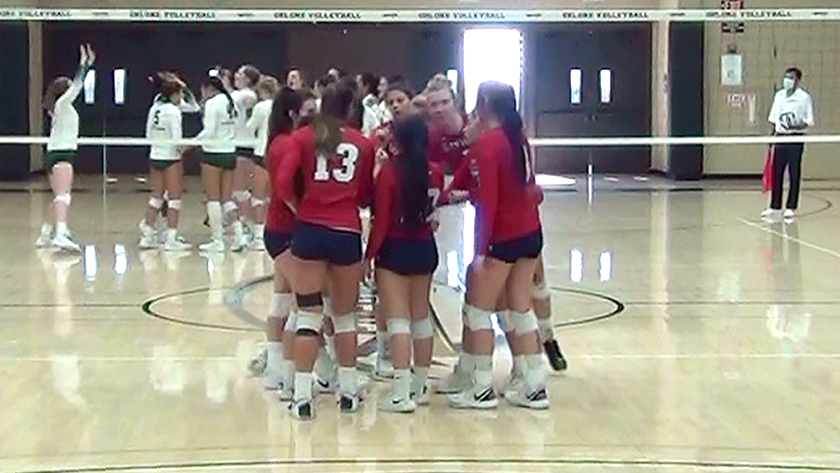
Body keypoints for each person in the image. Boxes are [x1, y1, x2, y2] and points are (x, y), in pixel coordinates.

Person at [275, 81, 375, 420]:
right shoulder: (363, 143)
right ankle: (348, 393)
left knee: (308, 315)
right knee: (344, 318)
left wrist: (300, 207)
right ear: (350, 109)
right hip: (346, 230)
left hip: (309, 230)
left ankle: (302, 398)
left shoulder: (302, 138)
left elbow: (283, 183)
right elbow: (365, 195)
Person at [448, 81, 548, 410]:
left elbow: (488, 201)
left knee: (478, 311)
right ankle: (534, 386)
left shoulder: (488, 145)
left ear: (485, 103)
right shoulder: (518, 138)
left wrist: (480, 251)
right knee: (520, 307)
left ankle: (479, 388)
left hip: (503, 237)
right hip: (531, 232)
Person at [366, 114, 443, 412]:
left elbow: (382, 220)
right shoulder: (434, 171)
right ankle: (420, 385)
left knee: (398, 320)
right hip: (425, 247)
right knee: (421, 317)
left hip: (395, 249)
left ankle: (400, 393)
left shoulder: (389, 173)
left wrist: (369, 257)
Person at [261, 87, 304, 391]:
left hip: (276, 229)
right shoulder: (289, 144)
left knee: (281, 301)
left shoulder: (276, 141)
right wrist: (303, 213)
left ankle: (275, 365)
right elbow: (284, 186)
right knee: (303, 306)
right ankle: (287, 373)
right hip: (286, 231)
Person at [36, 44, 95, 252]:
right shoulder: (62, 104)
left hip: (55, 152)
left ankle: (45, 233)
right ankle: (60, 234)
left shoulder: (61, 108)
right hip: (62, 153)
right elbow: (78, 85)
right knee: (63, 196)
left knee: (59, 196)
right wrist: (84, 64)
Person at [139, 72, 192, 251]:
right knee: (175, 198)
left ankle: (147, 233)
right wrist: (190, 146)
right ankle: (171, 238)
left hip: (155, 155)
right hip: (171, 158)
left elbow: (148, 134)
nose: (183, 97)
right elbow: (177, 141)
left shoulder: (155, 107)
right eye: (181, 94)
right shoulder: (173, 111)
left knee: (156, 196)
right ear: (174, 94)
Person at [763, 67, 815, 222]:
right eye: (786, 77)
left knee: (794, 172)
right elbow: (774, 118)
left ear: (797, 80)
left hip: (795, 138)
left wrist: (795, 126)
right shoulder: (779, 96)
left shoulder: (804, 98)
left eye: (791, 78)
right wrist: (772, 137)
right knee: (776, 172)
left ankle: (791, 207)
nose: (787, 81)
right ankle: (775, 206)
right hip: (780, 138)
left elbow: (809, 121)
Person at [195, 70, 238, 253]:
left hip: (213, 154)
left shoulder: (213, 104)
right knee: (227, 199)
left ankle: (217, 240)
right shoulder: (230, 101)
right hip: (230, 152)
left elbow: (209, 131)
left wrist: (190, 143)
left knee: (213, 199)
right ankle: (239, 236)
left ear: (208, 88)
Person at [245, 75, 281, 251]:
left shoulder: (261, 107)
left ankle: (259, 235)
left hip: (261, 153)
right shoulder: (281, 107)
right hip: (278, 154)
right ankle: (270, 230)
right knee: (272, 196)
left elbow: (250, 128)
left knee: (257, 196)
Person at [231, 65, 262, 251]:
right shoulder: (236, 94)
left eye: (240, 74)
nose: (236, 76)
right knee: (239, 190)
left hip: (244, 146)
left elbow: (247, 102)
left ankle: (250, 226)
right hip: (237, 144)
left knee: (240, 190)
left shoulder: (247, 96)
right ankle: (248, 223)